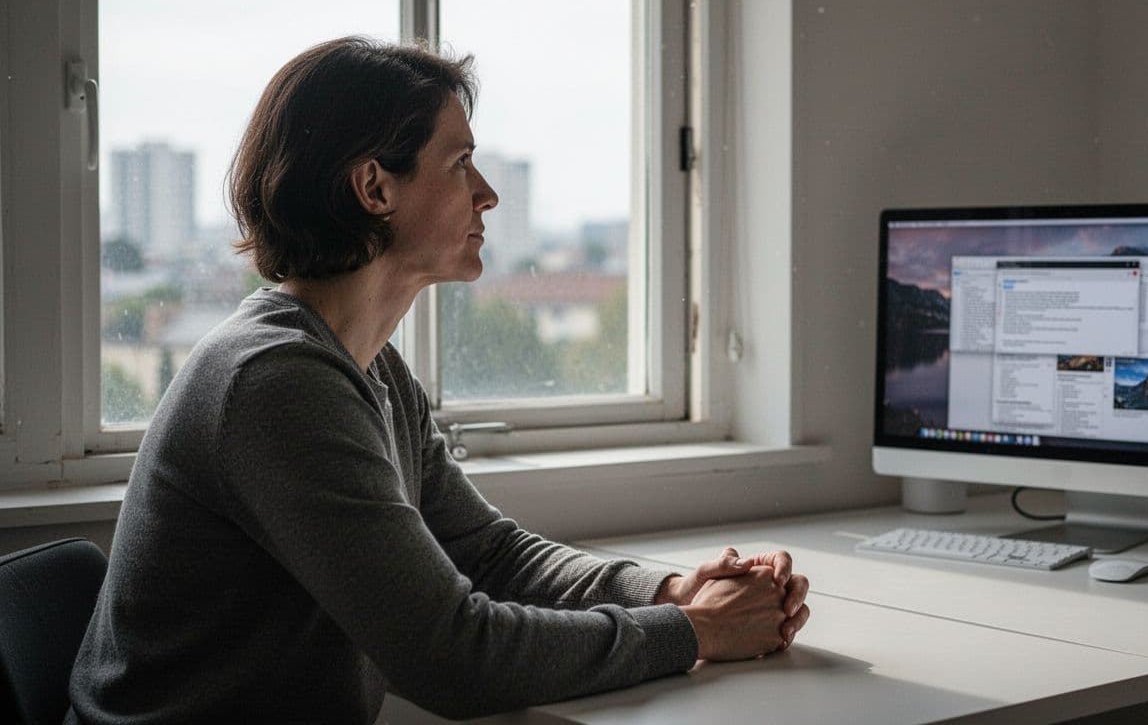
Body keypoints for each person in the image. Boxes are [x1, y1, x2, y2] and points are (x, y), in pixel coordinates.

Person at [66, 37, 810, 724]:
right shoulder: (275, 383)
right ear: (374, 188)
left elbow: (486, 551)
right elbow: (453, 657)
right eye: (460, 164)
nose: (485, 193)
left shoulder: (367, 364)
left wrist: (668, 591)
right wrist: (696, 630)